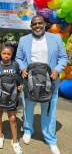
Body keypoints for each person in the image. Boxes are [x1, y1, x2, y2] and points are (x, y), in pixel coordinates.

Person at [16, 15, 68, 154]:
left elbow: (63, 57)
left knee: (49, 111)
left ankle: (51, 139)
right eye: (34, 24)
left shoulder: (55, 38)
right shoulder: (23, 39)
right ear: (31, 26)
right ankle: (28, 130)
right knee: (28, 107)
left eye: (40, 23)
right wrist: (22, 68)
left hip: (50, 81)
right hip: (30, 81)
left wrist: (57, 70)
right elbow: (19, 58)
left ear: (45, 24)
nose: (37, 26)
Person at [0, 43, 23, 154]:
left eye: (9, 54)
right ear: (0, 54)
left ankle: (15, 141)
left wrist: (20, 85)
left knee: (13, 118)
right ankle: (0, 135)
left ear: (12, 54)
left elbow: (19, 78)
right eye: (4, 53)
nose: (6, 56)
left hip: (11, 95)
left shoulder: (16, 65)